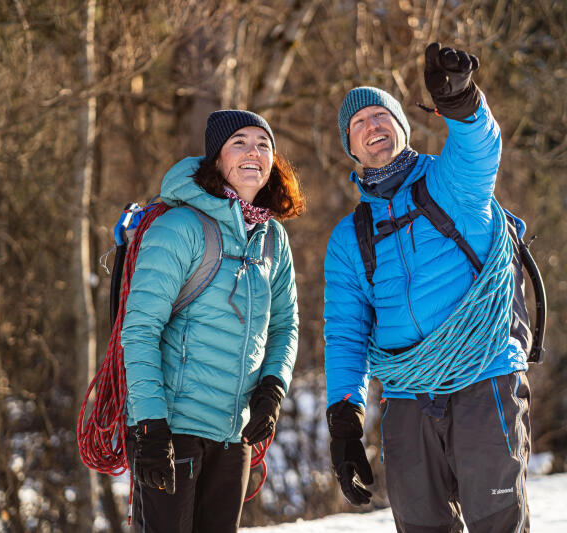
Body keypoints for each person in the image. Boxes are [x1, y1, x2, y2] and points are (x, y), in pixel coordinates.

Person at [323, 43, 532, 532]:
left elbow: (480, 147)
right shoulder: (348, 237)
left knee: (498, 522)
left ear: (403, 126)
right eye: (360, 123)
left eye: (382, 116)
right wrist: (345, 422)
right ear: (350, 148)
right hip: (407, 398)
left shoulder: (449, 184)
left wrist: (462, 103)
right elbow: (346, 333)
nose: (373, 126)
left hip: (484, 380)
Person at [122, 110, 304, 532]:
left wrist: (273, 389)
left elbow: (285, 326)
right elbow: (141, 329)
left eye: (263, 144)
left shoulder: (273, 239)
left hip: (233, 434)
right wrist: (150, 426)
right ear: (215, 160)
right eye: (238, 142)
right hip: (171, 431)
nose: (253, 152)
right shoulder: (181, 227)